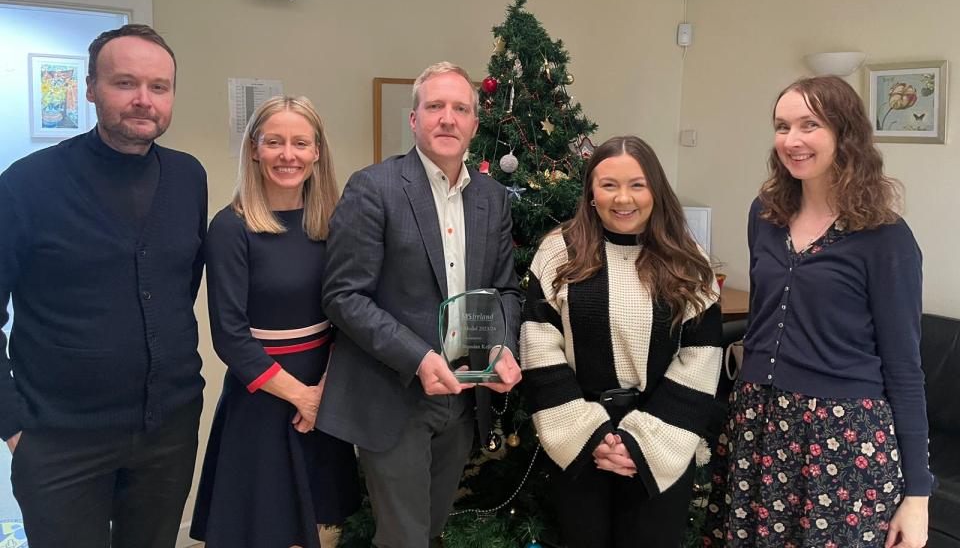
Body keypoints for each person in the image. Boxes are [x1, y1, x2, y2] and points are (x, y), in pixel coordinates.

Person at [0, 24, 207, 548]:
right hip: (59, 441)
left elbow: (176, 289)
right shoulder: (27, 185)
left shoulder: (188, 178)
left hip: (167, 431)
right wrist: (13, 425)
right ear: (90, 88)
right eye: (125, 83)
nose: (143, 100)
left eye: (159, 87)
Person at [703, 75, 932, 548]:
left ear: (844, 133)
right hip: (759, 424)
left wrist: (918, 496)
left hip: (843, 441)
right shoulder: (764, 215)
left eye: (810, 124)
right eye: (782, 126)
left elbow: (906, 370)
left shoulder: (886, 239)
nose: (793, 140)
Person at [317, 62, 522, 548]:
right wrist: (419, 357)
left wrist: (502, 346)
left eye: (460, 109)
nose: (447, 119)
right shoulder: (374, 188)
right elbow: (344, 296)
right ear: (414, 120)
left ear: (475, 123)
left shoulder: (492, 199)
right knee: (403, 538)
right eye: (435, 107)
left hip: (466, 399)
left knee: (428, 530)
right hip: (395, 395)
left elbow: (505, 290)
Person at [520, 135, 723, 548]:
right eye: (608, 184)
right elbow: (538, 344)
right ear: (591, 193)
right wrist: (593, 437)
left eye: (637, 184)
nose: (622, 198)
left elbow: (700, 358)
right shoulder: (558, 252)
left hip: (661, 442)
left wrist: (637, 442)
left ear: (656, 191)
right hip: (579, 443)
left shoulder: (688, 261)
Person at [191, 95, 359, 548]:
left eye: (301, 143)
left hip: (327, 394)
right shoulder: (230, 228)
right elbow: (229, 334)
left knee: (325, 531)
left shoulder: (336, 223)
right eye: (275, 142)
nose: (289, 155)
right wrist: (301, 397)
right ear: (254, 150)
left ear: (317, 151)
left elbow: (350, 313)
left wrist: (324, 392)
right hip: (262, 400)